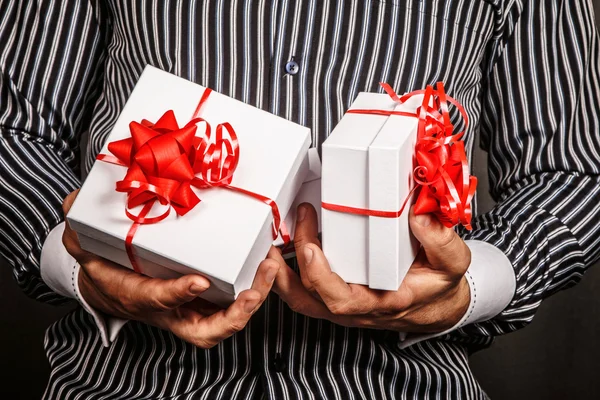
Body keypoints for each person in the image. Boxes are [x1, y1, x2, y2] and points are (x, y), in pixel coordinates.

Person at [1, 0, 599, 398]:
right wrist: (80, 263)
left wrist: (467, 290)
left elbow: (571, 169)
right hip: (125, 381)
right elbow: (13, 127)